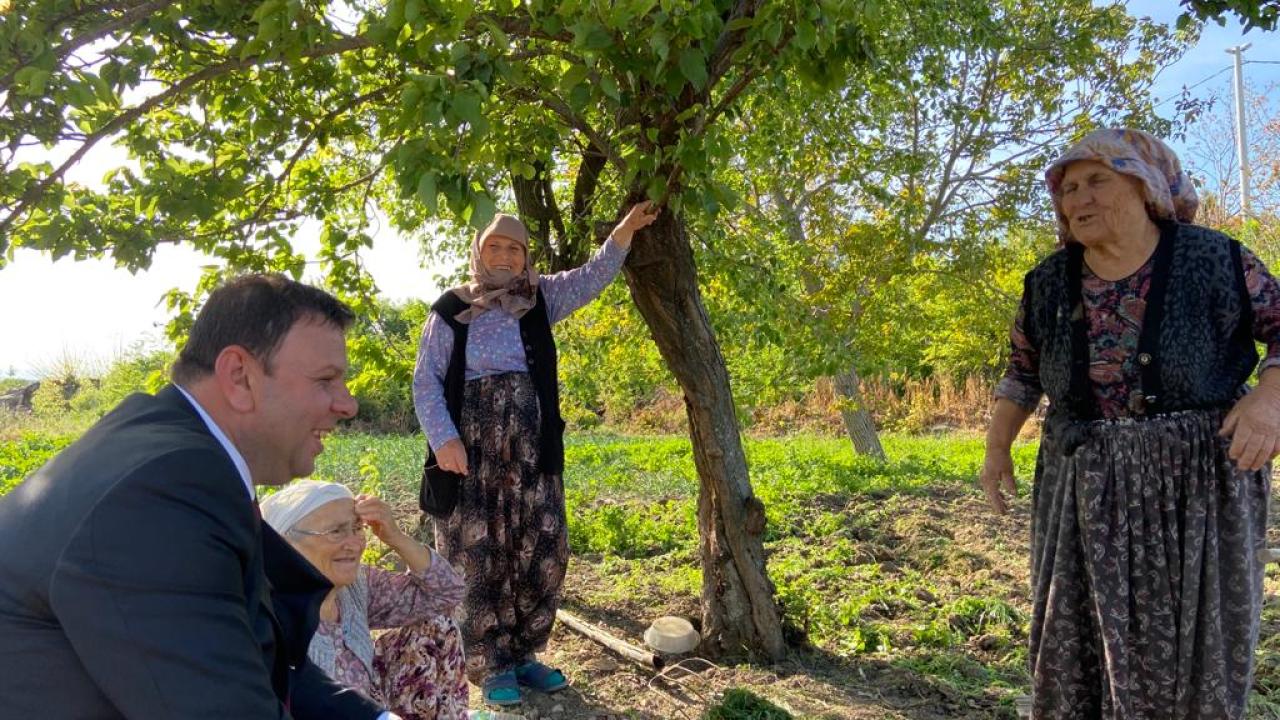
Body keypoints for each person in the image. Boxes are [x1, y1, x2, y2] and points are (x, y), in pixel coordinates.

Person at [980, 128, 1280, 719]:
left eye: (1097, 181)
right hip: (1081, 482)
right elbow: (1022, 371)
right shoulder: (1047, 282)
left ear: (1145, 188)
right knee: (1077, 640)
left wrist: (1269, 401)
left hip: (1198, 484)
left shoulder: (1215, 259)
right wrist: (997, 450)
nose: (1078, 200)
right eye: (1067, 189)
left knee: (1197, 645)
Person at [0, 274, 396, 719]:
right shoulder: (163, 493)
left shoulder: (168, 450)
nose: (348, 405)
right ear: (239, 377)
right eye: (326, 380)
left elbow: (253, 655)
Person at [412, 203, 658, 705]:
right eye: (494, 246)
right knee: (476, 556)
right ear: (479, 252)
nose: (504, 256)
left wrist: (623, 233)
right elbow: (426, 382)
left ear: (526, 257)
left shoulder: (541, 298)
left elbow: (593, 276)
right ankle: (490, 663)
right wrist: (445, 440)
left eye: (515, 248)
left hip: (532, 447)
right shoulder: (451, 309)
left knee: (543, 545)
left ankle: (524, 653)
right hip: (471, 452)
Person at [262, 480, 470, 720]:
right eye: (336, 531)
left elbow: (445, 594)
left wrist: (396, 538)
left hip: (368, 708)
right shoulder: (267, 611)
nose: (354, 543)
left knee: (437, 625)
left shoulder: (356, 586)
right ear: (286, 542)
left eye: (357, 528)